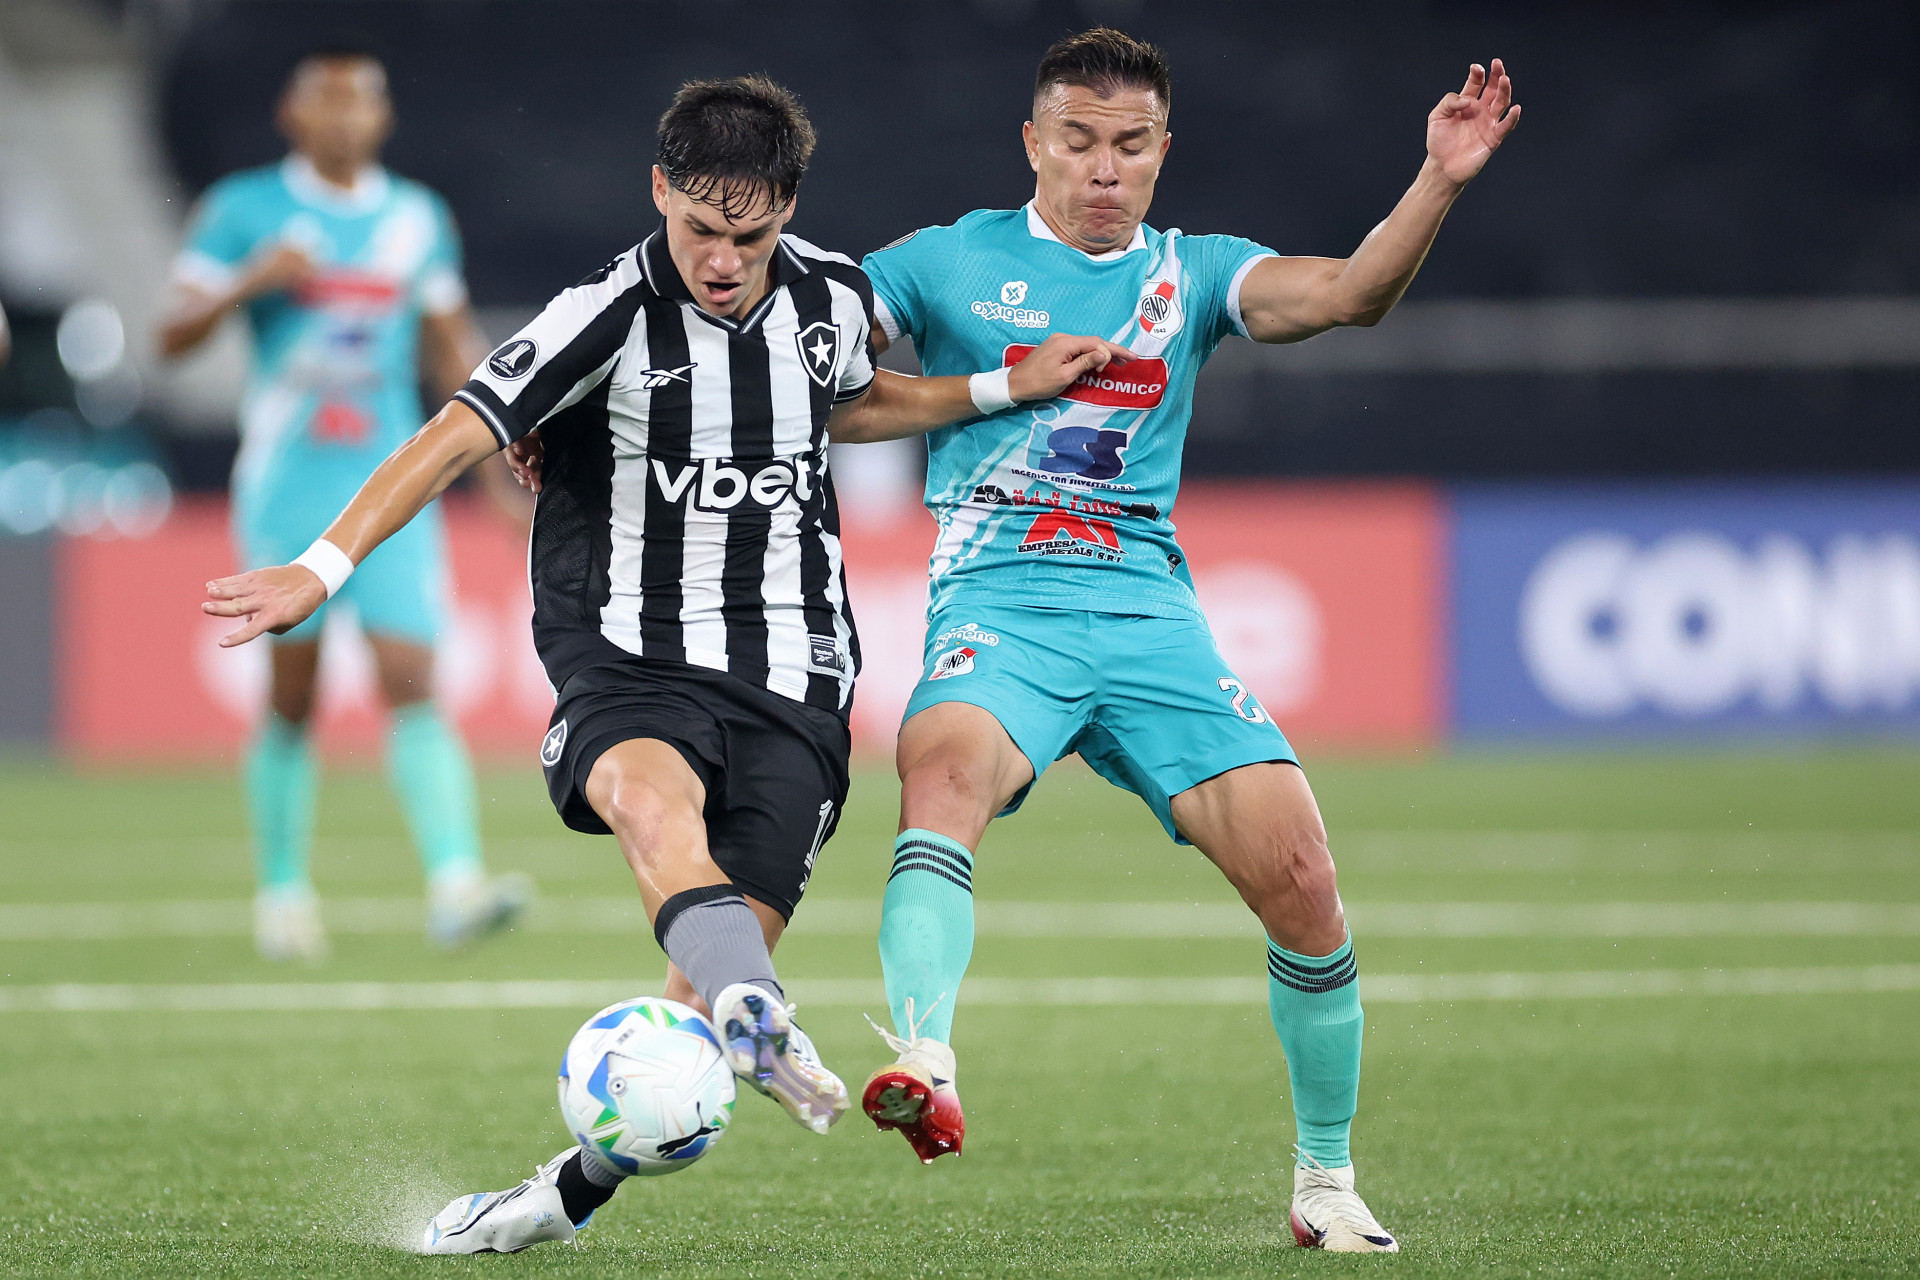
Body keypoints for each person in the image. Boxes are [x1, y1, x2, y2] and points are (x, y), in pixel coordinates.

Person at [201, 74, 1125, 1255]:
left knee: (683, 1032)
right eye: (699, 228)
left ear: (788, 207)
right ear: (659, 191)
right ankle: (756, 1007)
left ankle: (564, 1188)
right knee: (649, 802)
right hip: (627, 653)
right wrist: (318, 569)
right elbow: (453, 432)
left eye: (749, 235)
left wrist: (997, 386)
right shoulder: (602, 314)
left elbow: (842, 401)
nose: (723, 260)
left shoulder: (832, 299)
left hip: (796, 677)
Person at [854, 28, 1520, 1254]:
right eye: (1079, 141)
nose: (1104, 169)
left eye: (1131, 145)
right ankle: (925, 1054)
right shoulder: (946, 262)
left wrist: (1440, 177)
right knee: (939, 770)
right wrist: (985, 390)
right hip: (1001, 601)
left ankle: (1326, 1180)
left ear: (1163, 152)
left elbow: (1350, 296)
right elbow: (824, 384)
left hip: (1151, 612)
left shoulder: (1194, 272)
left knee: (1304, 879)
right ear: (1033, 144)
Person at [159, 45, 529, 961]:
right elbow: (169, 336)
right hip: (289, 480)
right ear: (293, 114)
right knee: (293, 692)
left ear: (381, 117)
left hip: (389, 478)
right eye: (326, 101)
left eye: (360, 101)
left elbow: (451, 349)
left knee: (413, 674)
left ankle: (456, 883)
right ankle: (282, 893)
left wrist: (492, 469)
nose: (343, 117)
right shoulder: (244, 210)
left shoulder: (415, 218)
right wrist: (254, 279)